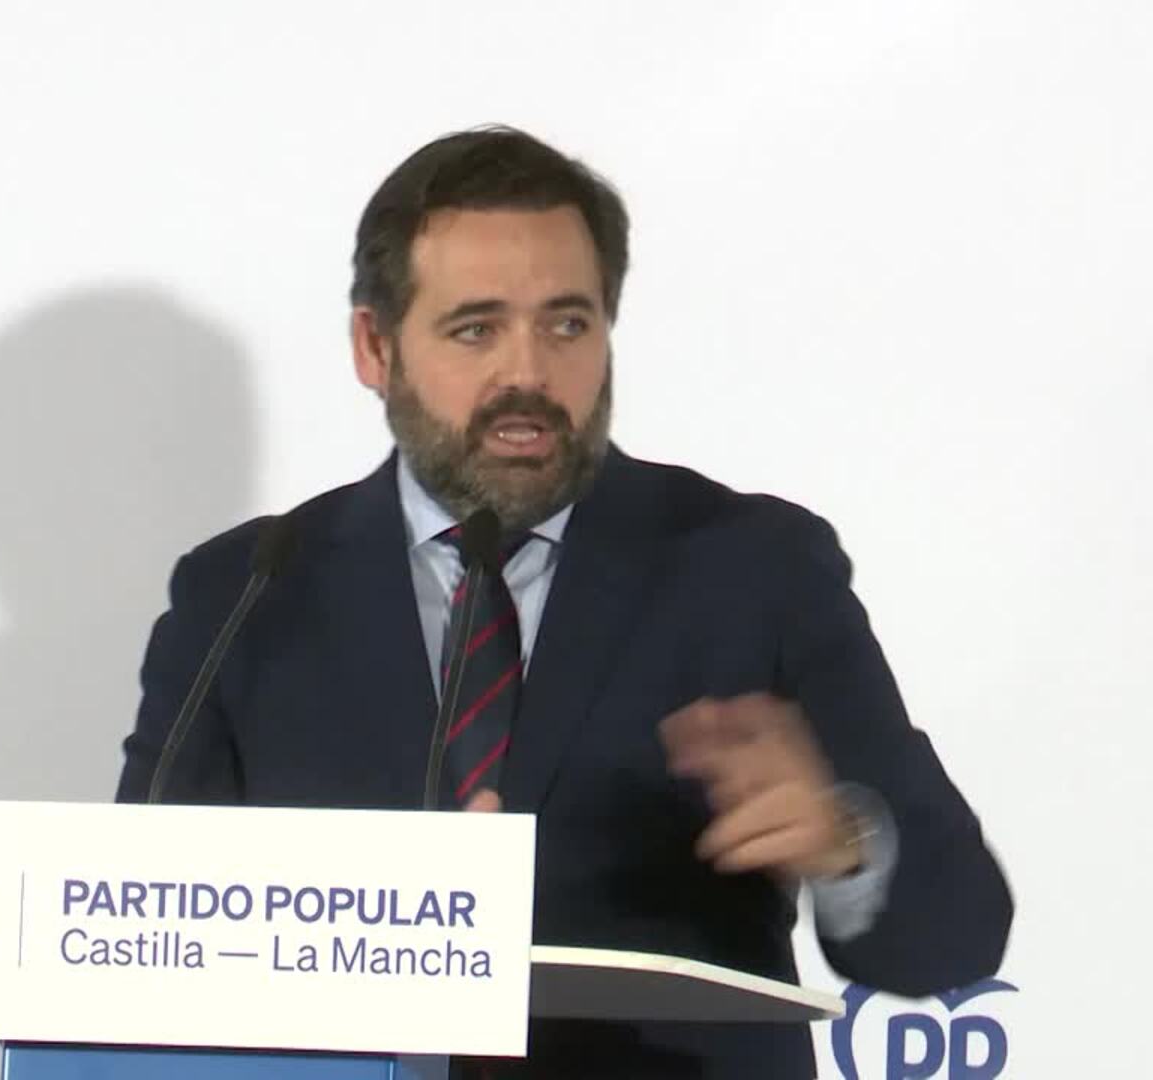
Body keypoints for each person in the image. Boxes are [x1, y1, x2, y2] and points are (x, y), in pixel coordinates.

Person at [115, 125, 1012, 1078]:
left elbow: (959, 931)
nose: (529, 374)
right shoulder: (248, 593)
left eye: (568, 325)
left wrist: (847, 843)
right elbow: (130, 943)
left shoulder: (752, 566)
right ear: (376, 347)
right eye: (476, 329)